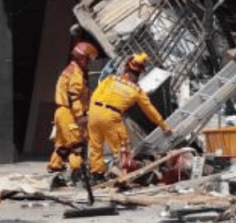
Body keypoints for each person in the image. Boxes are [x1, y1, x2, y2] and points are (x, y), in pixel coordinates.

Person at [87, 52, 173, 182]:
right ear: (140, 73)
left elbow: (95, 95)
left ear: (125, 68)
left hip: (93, 112)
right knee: (122, 149)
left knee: (96, 147)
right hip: (111, 115)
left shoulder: (109, 79)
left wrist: (90, 113)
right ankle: (124, 175)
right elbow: (150, 110)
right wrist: (165, 126)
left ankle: (96, 176)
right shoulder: (136, 90)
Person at [47, 42, 98, 177]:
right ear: (82, 58)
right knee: (76, 143)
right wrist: (81, 116)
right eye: (88, 60)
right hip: (68, 113)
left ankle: (55, 165)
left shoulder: (70, 69)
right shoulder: (76, 73)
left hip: (61, 112)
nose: (88, 64)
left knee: (63, 143)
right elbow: (74, 97)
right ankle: (78, 170)